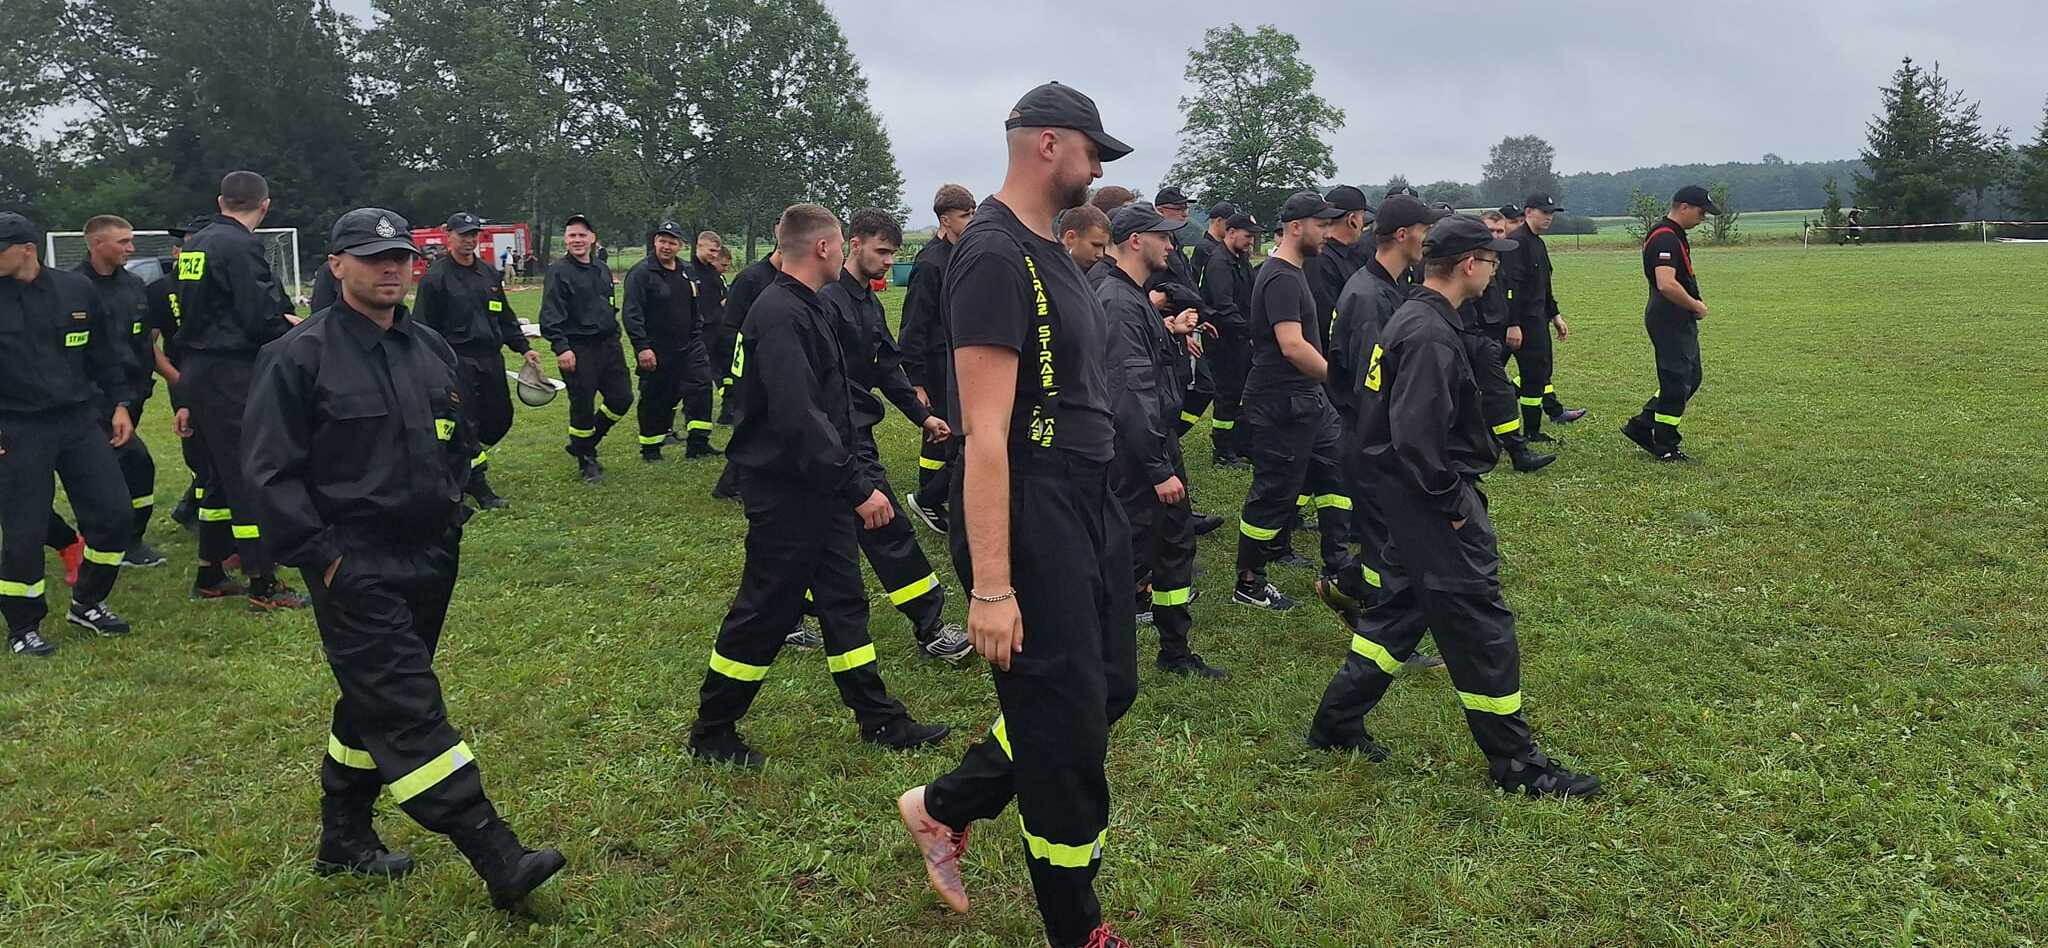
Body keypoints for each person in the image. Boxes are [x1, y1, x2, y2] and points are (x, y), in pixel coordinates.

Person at [243, 207, 565, 909]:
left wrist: (452, 511)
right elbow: (268, 475)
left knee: (377, 695)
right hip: (352, 563)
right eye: (371, 257)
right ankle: (496, 852)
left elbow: (455, 438)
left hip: (430, 554)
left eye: (398, 256)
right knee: (410, 705)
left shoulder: (429, 348)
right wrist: (324, 560)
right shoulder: (299, 356)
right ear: (336, 265)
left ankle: (343, 839)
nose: (389, 268)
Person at [895, 81, 1137, 948]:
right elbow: (985, 434)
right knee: (1065, 734)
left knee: (1109, 689)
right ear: (1047, 145)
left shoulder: (1051, 248)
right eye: (1092, 150)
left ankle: (944, 805)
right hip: (1031, 510)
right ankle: (1078, 930)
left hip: (1087, 499)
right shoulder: (994, 253)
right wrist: (992, 586)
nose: (1098, 166)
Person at [1305, 215, 1601, 799]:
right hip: (1432, 502)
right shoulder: (1429, 334)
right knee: (1479, 623)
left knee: (1398, 613)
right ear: (1470, 264)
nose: (1496, 270)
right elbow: (1416, 439)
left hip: (1405, 499)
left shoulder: (1417, 318)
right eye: (1492, 261)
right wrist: (1453, 507)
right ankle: (1516, 763)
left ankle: (1335, 721)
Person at [687, 203, 951, 767]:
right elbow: (800, 418)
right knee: (763, 611)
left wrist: (847, 482)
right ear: (827, 248)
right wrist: (858, 488)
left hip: (820, 489)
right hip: (788, 492)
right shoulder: (782, 314)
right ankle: (713, 731)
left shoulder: (808, 308)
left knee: (843, 602)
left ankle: (879, 719)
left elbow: (835, 403)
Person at [818, 209, 971, 663]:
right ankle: (931, 628)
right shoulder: (827, 303)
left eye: (892, 254)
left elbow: (888, 366)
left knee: (818, 537)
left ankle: (788, 615)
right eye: (882, 252)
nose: (888, 262)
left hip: (850, 434)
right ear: (854, 242)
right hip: (839, 440)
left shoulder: (867, 302)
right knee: (887, 527)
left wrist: (922, 416)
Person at [1097, 203, 1228, 679]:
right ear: (1136, 240)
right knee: (1129, 550)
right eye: (1164, 237)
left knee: (1173, 546)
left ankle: (1174, 650)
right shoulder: (1117, 299)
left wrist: (1171, 333)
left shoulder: (1133, 295)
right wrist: (1158, 469)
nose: (1172, 246)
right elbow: (1128, 392)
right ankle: (1101, 650)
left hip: (1155, 444)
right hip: (1137, 453)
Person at [0, 211, 139, 655]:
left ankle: (89, 601)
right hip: (17, 425)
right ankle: (23, 626)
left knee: (115, 515)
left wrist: (120, 403)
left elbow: (104, 353)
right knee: (23, 532)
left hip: (79, 420)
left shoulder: (76, 290)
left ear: (26, 249)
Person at [174, 170, 308, 610]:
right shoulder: (240, 244)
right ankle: (263, 581)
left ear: (220, 201)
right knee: (250, 473)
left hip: (197, 367)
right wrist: (288, 326)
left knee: (215, 475)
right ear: (265, 205)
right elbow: (257, 314)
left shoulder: (195, 244)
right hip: (232, 372)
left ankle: (211, 571)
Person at [1320, 194, 1447, 628]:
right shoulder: (1370, 296)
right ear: (1403, 235)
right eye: (1425, 231)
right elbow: (1369, 386)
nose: (1427, 240)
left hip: (1372, 436)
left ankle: (1344, 585)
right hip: (1369, 439)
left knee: (1387, 535)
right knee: (1383, 541)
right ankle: (1378, 625)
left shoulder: (1387, 286)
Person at [1230, 191, 1357, 612]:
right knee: (1273, 493)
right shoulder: (1282, 276)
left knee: (1334, 475)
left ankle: (1339, 568)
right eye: (1321, 225)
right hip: (1280, 402)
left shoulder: (1296, 270)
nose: (1327, 232)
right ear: (1297, 226)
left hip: (1307, 401)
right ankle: (1249, 581)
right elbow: (1291, 345)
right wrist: (1339, 381)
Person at [412, 212, 542, 508]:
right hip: (457, 361)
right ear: (450, 237)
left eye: (474, 234)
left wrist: (523, 348)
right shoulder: (435, 279)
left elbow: (505, 316)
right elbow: (423, 328)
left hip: (491, 358)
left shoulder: (488, 274)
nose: (470, 240)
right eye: (463, 234)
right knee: (466, 423)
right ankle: (479, 485)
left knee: (500, 418)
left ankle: (457, 459)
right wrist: (433, 369)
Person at [70, 215, 165, 568]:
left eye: (131, 240)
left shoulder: (134, 285)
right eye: (123, 242)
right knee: (130, 466)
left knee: (129, 468)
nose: (131, 247)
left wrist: (161, 377)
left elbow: (144, 340)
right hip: (95, 400)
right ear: (97, 244)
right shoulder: (73, 287)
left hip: (133, 395)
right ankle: (112, 542)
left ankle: (122, 539)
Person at [900, 184, 978, 535]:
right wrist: (915, 381)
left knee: (946, 439)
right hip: (935, 367)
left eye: (974, 213)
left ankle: (937, 496)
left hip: (959, 363)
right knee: (959, 438)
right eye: (965, 215)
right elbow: (913, 324)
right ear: (945, 219)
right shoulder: (930, 263)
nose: (971, 221)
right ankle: (929, 498)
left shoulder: (963, 252)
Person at [1623, 185, 1715, 462]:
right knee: (1676, 381)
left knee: (1690, 377)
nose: (1703, 218)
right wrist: (1695, 304)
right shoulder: (1664, 237)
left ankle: (1642, 424)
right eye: (1701, 212)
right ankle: (1665, 445)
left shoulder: (1675, 235)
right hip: (1668, 318)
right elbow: (1666, 284)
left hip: (1677, 318)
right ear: (1683, 207)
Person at [540, 214, 630, 484]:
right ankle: (587, 460)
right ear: (566, 240)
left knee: (622, 398)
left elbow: (608, 304)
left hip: (608, 345)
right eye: (571, 236)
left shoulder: (601, 268)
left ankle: (587, 441)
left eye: (582, 235)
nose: (577, 240)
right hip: (578, 347)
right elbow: (550, 314)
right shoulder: (558, 271)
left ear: (593, 238)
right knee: (582, 406)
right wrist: (561, 348)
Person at [622, 220, 718, 462]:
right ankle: (651, 448)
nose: (666, 246)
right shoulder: (641, 273)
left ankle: (698, 443)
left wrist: (698, 331)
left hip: (691, 343)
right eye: (662, 240)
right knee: (657, 396)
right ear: (655, 242)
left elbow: (695, 306)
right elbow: (632, 314)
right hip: (657, 348)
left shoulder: (687, 271)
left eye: (672, 242)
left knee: (701, 387)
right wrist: (642, 347)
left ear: (681, 245)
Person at [1500, 194, 1587, 445]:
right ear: (1528, 212)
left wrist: (1555, 315)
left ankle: (1532, 431)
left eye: (1552, 212)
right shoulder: (1516, 243)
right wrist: (1513, 324)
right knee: (1495, 374)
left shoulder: (1538, 243)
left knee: (1537, 374)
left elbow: (1544, 286)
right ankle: (1492, 422)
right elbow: (1511, 288)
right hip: (1520, 323)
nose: (1549, 217)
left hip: (1538, 320)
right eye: (1544, 211)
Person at [1475, 211, 1554, 474]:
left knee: (1497, 391)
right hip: (1476, 334)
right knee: (1492, 391)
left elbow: (1510, 295)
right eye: (1490, 230)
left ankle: (1509, 447)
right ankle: (1511, 450)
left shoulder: (1500, 259)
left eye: (1500, 230)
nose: (1496, 235)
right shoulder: (1472, 262)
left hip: (1495, 332)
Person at [710, 241, 780, 500]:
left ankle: (733, 484)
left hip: (774, 363)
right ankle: (731, 486)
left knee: (762, 425)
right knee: (751, 425)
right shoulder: (750, 278)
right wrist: (737, 366)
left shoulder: (787, 278)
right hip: (748, 364)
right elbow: (729, 325)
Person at [1201, 211, 1258, 467]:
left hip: (1241, 339)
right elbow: (1224, 307)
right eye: (1247, 236)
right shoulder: (1219, 263)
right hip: (1224, 340)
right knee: (1227, 395)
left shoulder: (1240, 259)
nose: (1251, 242)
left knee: (1241, 394)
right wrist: (1252, 331)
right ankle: (1222, 452)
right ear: (1231, 232)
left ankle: (1239, 444)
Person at [1308, 185, 1374, 342]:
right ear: (1352, 220)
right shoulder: (1320, 261)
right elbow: (1325, 321)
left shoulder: (1348, 255)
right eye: (1362, 217)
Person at [1060, 204, 1113, 276]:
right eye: (1096, 245)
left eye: (1103, 248)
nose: (1100, 255)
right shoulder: (1044, 269)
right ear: (1070, 238)